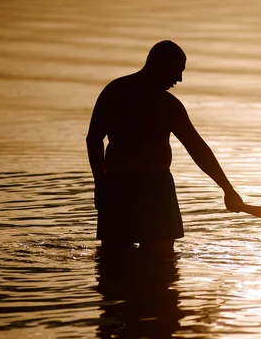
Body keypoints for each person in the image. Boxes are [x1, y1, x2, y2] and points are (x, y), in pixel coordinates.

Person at [86, 40, 242, 251]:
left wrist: (100, 183)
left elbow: (94, 139)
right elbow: (197, 148)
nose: (179, 79)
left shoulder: (115, 90)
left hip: (123, 185)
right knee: (160, 263)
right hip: (148, 189)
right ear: (160, 65)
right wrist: (227, 188)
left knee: (114, 264)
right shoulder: (165, 103)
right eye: (177, 71)